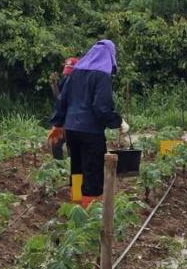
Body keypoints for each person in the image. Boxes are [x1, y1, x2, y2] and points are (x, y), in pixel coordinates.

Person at [47, 39, 127, 205]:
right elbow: (101, 107)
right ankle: (88, 211)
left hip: (72, 129)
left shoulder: (75, 72)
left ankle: (76, 201)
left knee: (77, 167)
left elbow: (62, 99)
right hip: (90, 131)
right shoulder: (102, 76)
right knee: (92, 170)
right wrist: (117, 121)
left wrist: (58, 124)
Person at [48, 56, 79, 161]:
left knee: (73, 150)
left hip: (74, 121)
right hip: (64, 119)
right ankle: (59, 170)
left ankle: (74, 173)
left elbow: (61, 100)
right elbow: (59, 98)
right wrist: (54, 84)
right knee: (56, 146)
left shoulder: (79, 84)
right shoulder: (66, 80)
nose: (66, 74)